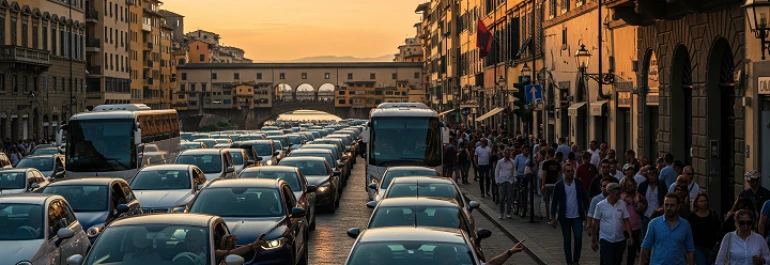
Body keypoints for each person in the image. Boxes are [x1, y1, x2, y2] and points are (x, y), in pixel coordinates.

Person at [639, 193, 696, 265]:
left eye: (672, 205)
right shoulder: (654, 223)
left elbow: (690, 249)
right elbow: (645, 247)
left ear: (678, 207)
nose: (669, 208)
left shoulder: (685, 225)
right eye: (666, 205)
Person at [550, 163, 589, 265]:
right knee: (567, 240)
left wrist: (587, 212)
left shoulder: (579, 183)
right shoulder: (559, 185)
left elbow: (585, 199)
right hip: (565, 217)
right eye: (568, 171)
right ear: (564, 172)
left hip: (577, 216)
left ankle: (576, 260)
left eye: (572, 171)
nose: (571, 173)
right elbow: (554, 202)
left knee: (578, 239)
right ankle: (569, 261)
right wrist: (553, 217)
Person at [591, 183, 633, 265]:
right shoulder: (600, 205)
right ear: (610, 193)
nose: (619, 194)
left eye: (619, 193)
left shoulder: (622, 204)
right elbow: (595, 223)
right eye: (616, 193)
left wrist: (630, 235)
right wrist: (593, 240)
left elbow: (626, 220)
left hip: (620, 240)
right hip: (606, 239)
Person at [687, 192, 721, 265]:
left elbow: (718, 228)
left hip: (711, 246)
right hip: (698, 247)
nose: (704, 203)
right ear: (696, 203)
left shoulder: (712, 213)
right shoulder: (692, 217)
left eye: (705, 201)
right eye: (701, 201)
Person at [619, 176, 646, 265]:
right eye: (627, 185)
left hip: (635, 227)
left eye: (631, 185)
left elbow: (645, 204)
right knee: (621, 250)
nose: (629, 187)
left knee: (632, 251)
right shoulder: (620, 196)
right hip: (622, 227)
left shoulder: (637, 195)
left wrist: (638, 204)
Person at [637, 167, 667, 245]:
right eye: (649, 174)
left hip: (658, 214)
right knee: (645, 236)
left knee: (658, 235)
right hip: (645, 214)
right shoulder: (643, 185)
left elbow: (665, 197)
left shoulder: (661, 185)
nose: (651, 176)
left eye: (653, 174)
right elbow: (638, 197)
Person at [541, 149, 561, 222]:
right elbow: (559, 175)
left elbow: (544, 174)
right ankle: (555, 216)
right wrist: (558, 183)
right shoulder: (557, 164)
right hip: (555, 184)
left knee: (547, 201)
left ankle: (549, 216)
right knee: (555, 201)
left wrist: (543, 184)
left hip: (547, 184)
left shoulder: (546, 163)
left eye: (546, 153)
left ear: (549, 154)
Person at [495, 149, 515, 219]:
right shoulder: (500, 162)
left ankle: (508, 213)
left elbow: (514, 171)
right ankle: (501, 213)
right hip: (501, 181)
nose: (507, 155)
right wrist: (497, 180)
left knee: (509, 198)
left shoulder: (512, 162)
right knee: (501, 198)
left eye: (508, 154)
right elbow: (497, 171)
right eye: (506, 154)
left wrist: (515, 179)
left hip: (509, 181)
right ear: (504, 154)